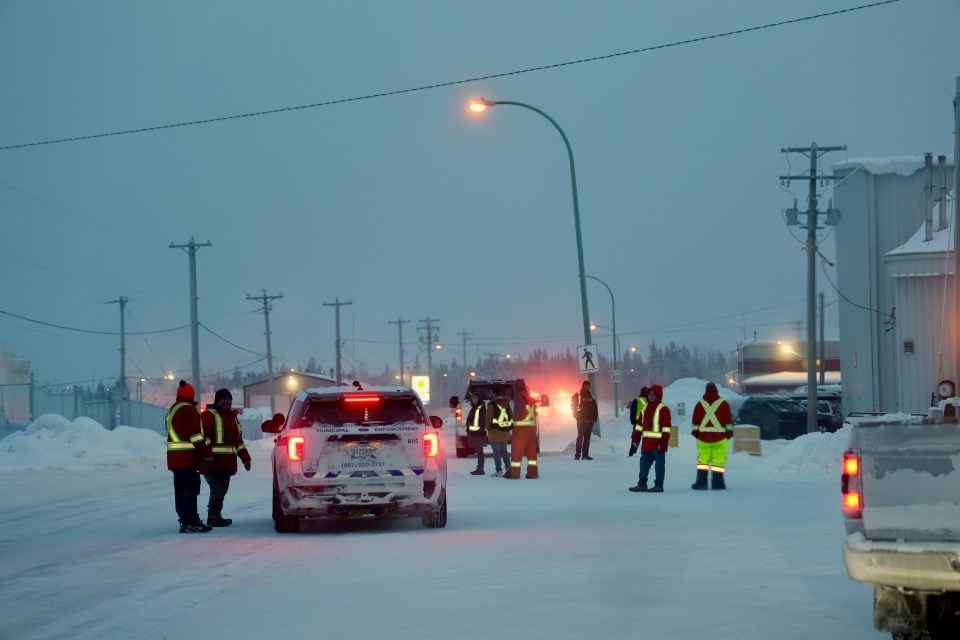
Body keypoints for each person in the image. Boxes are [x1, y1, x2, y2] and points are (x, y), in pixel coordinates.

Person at [166, 380, 214, 533]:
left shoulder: (172, 409)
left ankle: (184, 521)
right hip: (187, 459)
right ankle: (193, 520)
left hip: (175, 460)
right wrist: (206, 453)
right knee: (191, 491)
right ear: (191, 395)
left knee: (180, 491)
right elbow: (195, 436)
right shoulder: (188, 410)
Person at [201, 388, 252, 526]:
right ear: (217, 401)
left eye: (229, 399)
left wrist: (245, 458)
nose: (227, 402)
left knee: (222, 490)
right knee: (218, 489)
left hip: (227, 463)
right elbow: (203, 437)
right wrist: (207, 455)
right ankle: (213, 517)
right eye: (223, 399)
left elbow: (238, 442)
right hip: (213, 463)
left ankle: (216, 515)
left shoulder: (232, 418)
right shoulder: (209, 415)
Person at [627, 384, 672, 493]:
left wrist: (664, 443)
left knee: (659, 466)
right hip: (646, 444)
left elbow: (666, 428)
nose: (651, 396)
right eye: (650, 394)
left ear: (658, 395)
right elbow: (638, 426)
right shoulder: (645, 408)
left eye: (653, 394)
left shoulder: (663, 409)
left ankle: (659, 485)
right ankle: (642, 484)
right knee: (643, 466)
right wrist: (635, 440)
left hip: (658, 445)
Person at [690, 382, 733, 490]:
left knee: (703, 460)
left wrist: (696, 433)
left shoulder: (699, 404)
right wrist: (728, 433)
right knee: (718, 460)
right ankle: (718, 484)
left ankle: (701, 483)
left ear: (706, 391)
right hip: (720, 438)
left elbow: (695, 421)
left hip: (703, 437)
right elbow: (728, 421)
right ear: (716, 391)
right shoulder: (723, 404)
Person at [506, 390, 539, 479]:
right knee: (531, 453)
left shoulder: (518, 397)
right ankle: (533, 473)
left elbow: (517, 414)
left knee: (517, 452)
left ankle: (514, 474)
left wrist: (511, 417)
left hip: (521, 429)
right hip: (531, 429)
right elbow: (535, 413)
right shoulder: (531, 398)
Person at [486, 391, 513, 477]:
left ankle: (498, 470)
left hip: (494, 431)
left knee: (496, 452)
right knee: (504, 451)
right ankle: (508, 468)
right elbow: (512, 416)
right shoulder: (507, 404)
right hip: (505, 431)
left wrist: (487, 428)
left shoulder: (491, 405)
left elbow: (488, 418)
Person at [571, 380, 598, 460]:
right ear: (582, 386)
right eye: (585, 385)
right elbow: (573, 407)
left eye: (588, 385)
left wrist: (594, 418)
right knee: (580, 438)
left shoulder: (591, 396)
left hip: (590, 421)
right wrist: (578, 418)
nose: (587, 387)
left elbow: (595, 408)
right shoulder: (577, 395)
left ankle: (585, 455)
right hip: (581, 421)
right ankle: (577, 455)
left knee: (587, 439)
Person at [464, 393, 487, 476]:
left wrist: (481, 431)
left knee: (479, 450)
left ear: (479, 399)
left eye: (476, 397)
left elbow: (483, 420)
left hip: (478, 433)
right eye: (473, 397)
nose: (474, 399)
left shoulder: (481, 408)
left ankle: (480, 468)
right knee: (478, 450)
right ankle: (479, 468)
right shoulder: (474, 408)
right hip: (473, 433)